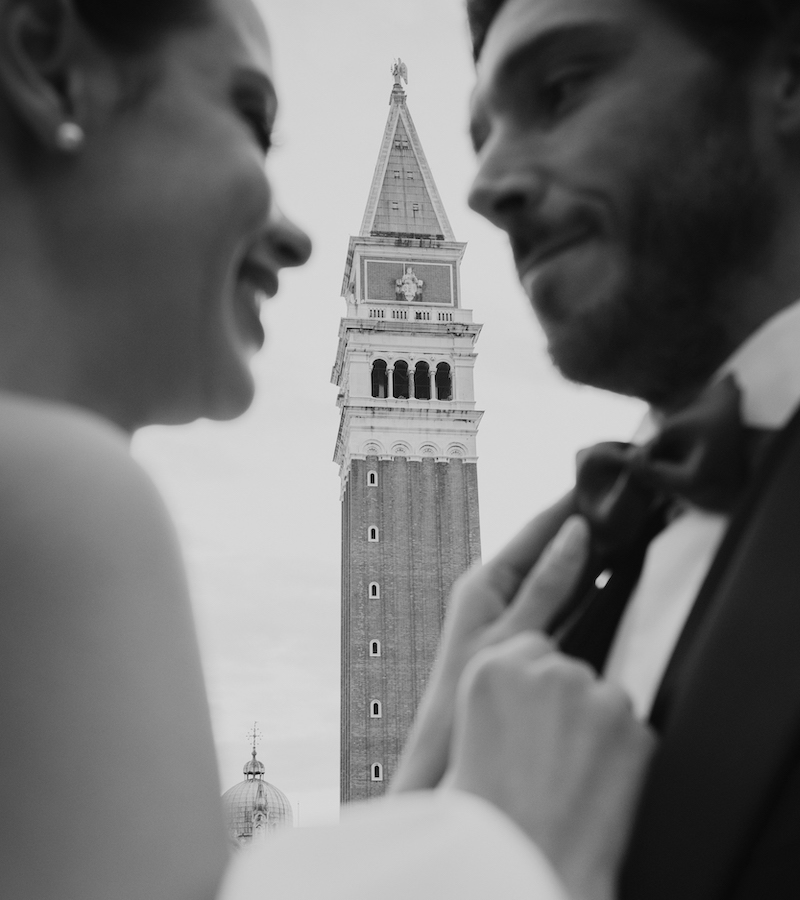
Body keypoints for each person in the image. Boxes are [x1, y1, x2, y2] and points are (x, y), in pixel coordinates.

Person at [0, 1, 653, 899]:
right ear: (49, 68)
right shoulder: (53, 496)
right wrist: (518, 847)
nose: (294, 236)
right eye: (250, 115)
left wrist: (425, 764)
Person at [397, 0, 800, 898]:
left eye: (562, 90)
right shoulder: (551, 606)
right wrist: (422, 798)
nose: (486, 184)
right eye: (480, 136)